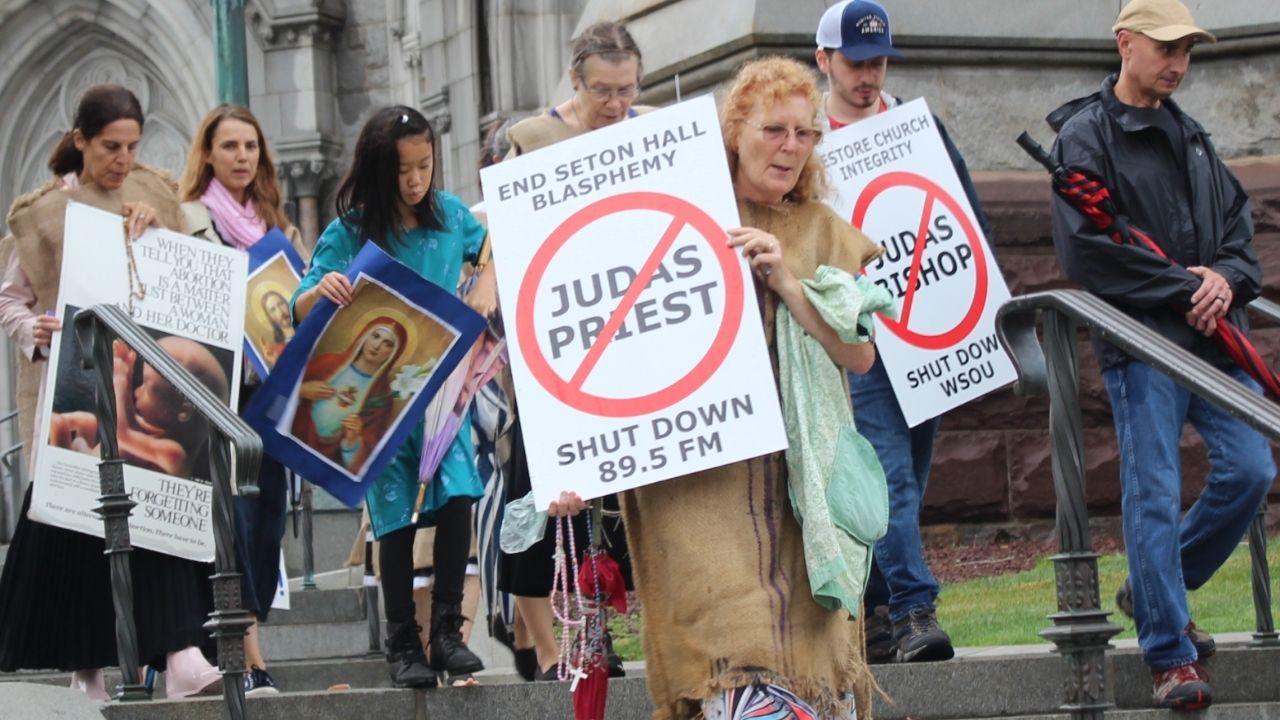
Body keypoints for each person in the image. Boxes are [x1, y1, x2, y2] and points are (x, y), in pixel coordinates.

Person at [616, 56, 881, 720]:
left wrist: (789, 284)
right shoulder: (675, 215)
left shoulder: (822, 229)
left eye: (805, 133)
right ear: (734, 130)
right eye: (774, 129)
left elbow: (860, 355)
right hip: (701, 483)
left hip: (802, 483)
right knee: (731, 645)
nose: (791, 147)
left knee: (813, 648)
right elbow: (609, 339)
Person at [1047, 0, 1274, 709]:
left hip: (1211, 340)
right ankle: (1170, 654)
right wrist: (1187, 286)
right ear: (1126, 43)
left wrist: (1224, 281)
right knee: (1152, 493)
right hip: (1143, 346)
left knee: (1252, 468)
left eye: (1187, 50)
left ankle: (1153, 589)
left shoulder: (1195, 136)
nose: (1178, 63)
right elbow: (1088, 250)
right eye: (1166, 47)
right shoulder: (1085, 135)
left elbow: (1240, 238)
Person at [0, 83, 221, 701]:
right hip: (74, 395)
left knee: (159, 507)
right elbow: (11, 299)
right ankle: (87, 668)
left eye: (131, 146)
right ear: (81, 142)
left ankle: (181, 653)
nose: (123, 160)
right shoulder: (46, 213)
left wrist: (153, 234)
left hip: (142, 387)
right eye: (110, 147)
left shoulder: (150, 195)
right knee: (75, 528)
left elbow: (176, 282)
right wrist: (35, 330)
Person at [813, 0, 994, 664]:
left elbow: (965, 217)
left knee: (909, 475)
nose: (868, 75)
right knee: (890, 476)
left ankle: (879, 614)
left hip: (928, 330)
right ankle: (917, 609)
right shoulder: (807, 141)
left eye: (879, 61)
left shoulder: (918, 127)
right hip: (861, 339)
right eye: (856, 63)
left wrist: (983, 309)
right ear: (823, 59)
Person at [292, 105, 497, 688]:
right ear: (380, 171)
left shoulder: (451, 216)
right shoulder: (350, 230)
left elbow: (493, 251)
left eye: (425, 166)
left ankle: (449, 634)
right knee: (394, 523)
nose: (415, 181)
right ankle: (402, 641)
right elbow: (300, 302)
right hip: (376, 403)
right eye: (403, 171)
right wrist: (323, 290)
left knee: (459, 497)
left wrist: (484, 280)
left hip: (437, 390)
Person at [498, 20, 641, 683]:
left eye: (628, 90)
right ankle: (562, 638)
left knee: (616, 498)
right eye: (604, 91)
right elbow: (505, 245)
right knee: (560, 491)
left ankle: (603, 625)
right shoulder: (530, 140)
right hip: (554, 350)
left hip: (632, 338)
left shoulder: (649, 134)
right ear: (576, 80)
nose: (617, 105)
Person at [178, 103, 312, 695]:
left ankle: (236, 643)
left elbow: (298, 306)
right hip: (219, 393)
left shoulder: (279, 225)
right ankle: (249, 657)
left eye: (250, 147)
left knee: (268, 524)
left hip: (274, 395)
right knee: (234, 519)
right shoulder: (188, 219)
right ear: (207, 153)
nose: (241, 157)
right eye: (229, 146)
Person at [48, 336, 230, 478]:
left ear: (184, 411)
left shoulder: (175, 455)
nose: (137, 392)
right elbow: (129, 426)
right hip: (91, 464)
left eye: (147, 387)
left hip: (88, 479)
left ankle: (55, 473)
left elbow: (121, 434)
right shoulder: (154, 434)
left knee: (58, 424)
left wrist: (120, 380)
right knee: (88, 421)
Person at [291, 317, 408, 472]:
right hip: (293, 438)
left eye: (388, 343)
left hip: (327, 462)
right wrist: (301, 390)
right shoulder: (328, 363)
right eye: (375, 336)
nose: (377, 345)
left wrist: (352, 441)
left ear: (393, 353)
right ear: (365, 336)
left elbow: (367, 454)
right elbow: (278, 393)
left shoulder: (381, 397)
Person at [258, 290, 295, 367]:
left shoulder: (308, 326)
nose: (280, 312)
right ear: (270, 318)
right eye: (273, 310)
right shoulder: (278, 351)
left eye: (281, 304)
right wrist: (275, 360)